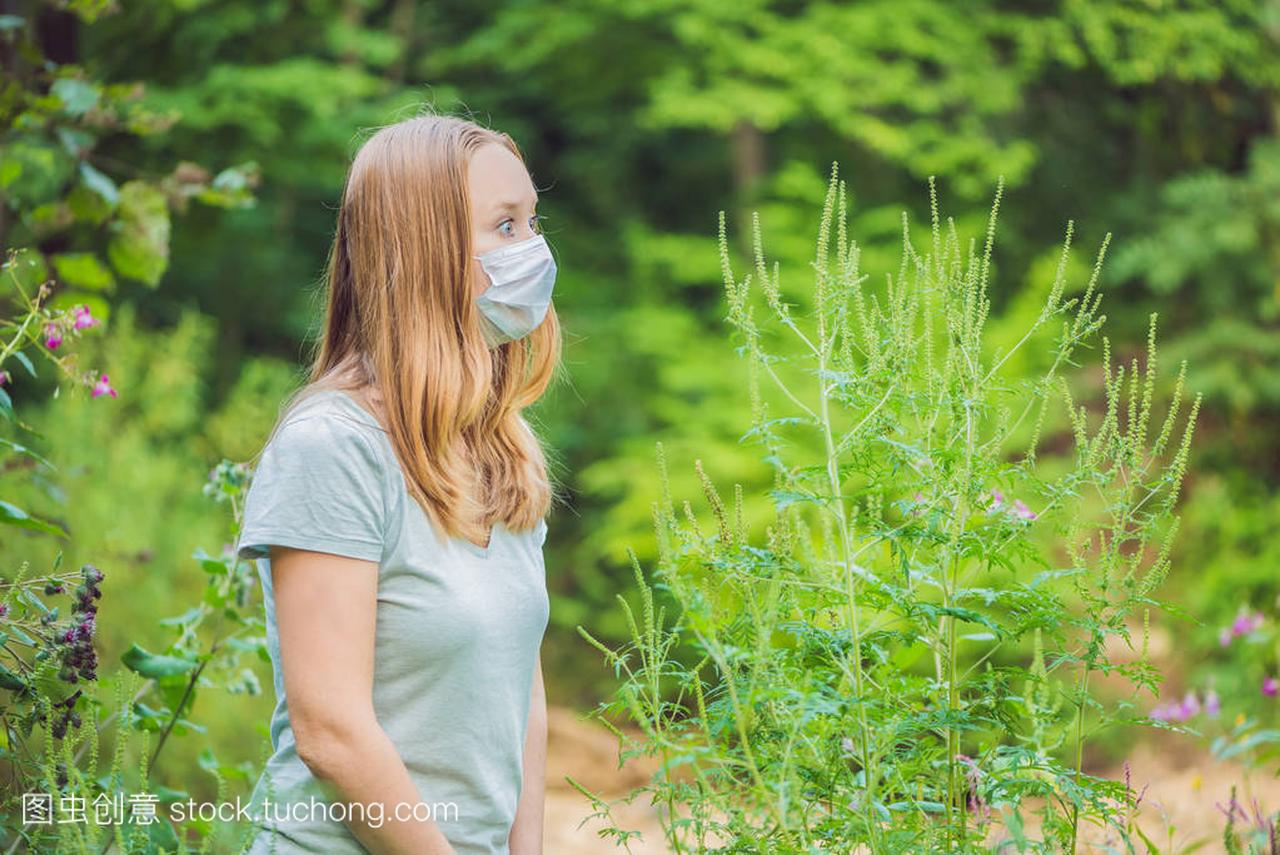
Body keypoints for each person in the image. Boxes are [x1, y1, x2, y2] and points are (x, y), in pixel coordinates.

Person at [234, 111, 563, 854]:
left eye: (533, 222)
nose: (534, 251)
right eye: (505, 227)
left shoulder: (500, 449)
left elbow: (518, 690)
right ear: (425, 250)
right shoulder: (332, 449)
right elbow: (333, 733)